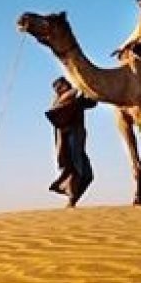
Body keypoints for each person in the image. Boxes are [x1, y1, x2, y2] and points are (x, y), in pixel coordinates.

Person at [45, 76, 96, 206]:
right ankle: (69, 199)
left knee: (87, 175)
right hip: (70, 147)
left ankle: (71, 202)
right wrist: (82, 83)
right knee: (76, 171)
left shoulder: (75, 101)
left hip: (77, 145)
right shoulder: (61, 101)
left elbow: (92, 102)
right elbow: (76, 92)